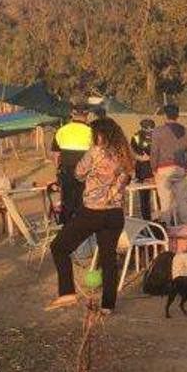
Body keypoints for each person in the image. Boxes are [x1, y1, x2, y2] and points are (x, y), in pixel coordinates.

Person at [48, 118, 134, 313]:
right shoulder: (125, 155)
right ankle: (108, 306)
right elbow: (127, 179)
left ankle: (67, 293)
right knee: (108, 258)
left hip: (93, 211)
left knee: (59, 247)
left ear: (100, 134)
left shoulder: (95, 152)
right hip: (115, 214)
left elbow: (78, 173)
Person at [150, 104, 187, 225]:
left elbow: (154, 152)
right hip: (180, 169)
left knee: (165, 203)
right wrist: (186, 167)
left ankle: (167, 230)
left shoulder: (158, 131)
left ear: (165, 115)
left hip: (163, 169)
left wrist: (153, 169)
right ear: (178, 115)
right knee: (182, 202)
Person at [51, 102, 93, 224]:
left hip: (67, 172)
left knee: (67, 203)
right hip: (86, 173)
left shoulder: (61, 131)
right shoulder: (92, 131)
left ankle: (67, 231)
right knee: (84, 203)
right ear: (87, 115)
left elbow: (56, 155)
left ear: (72, 114)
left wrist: (57, 171)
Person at [129, 117, 156, 220]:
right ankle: (162, 220)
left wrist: (140, 158)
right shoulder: (158, 136)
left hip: (142, 171)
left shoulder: (136, 136)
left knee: (144, 199)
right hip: (156, 171)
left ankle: (146, 220)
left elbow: (132, 152)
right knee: (161, 198)